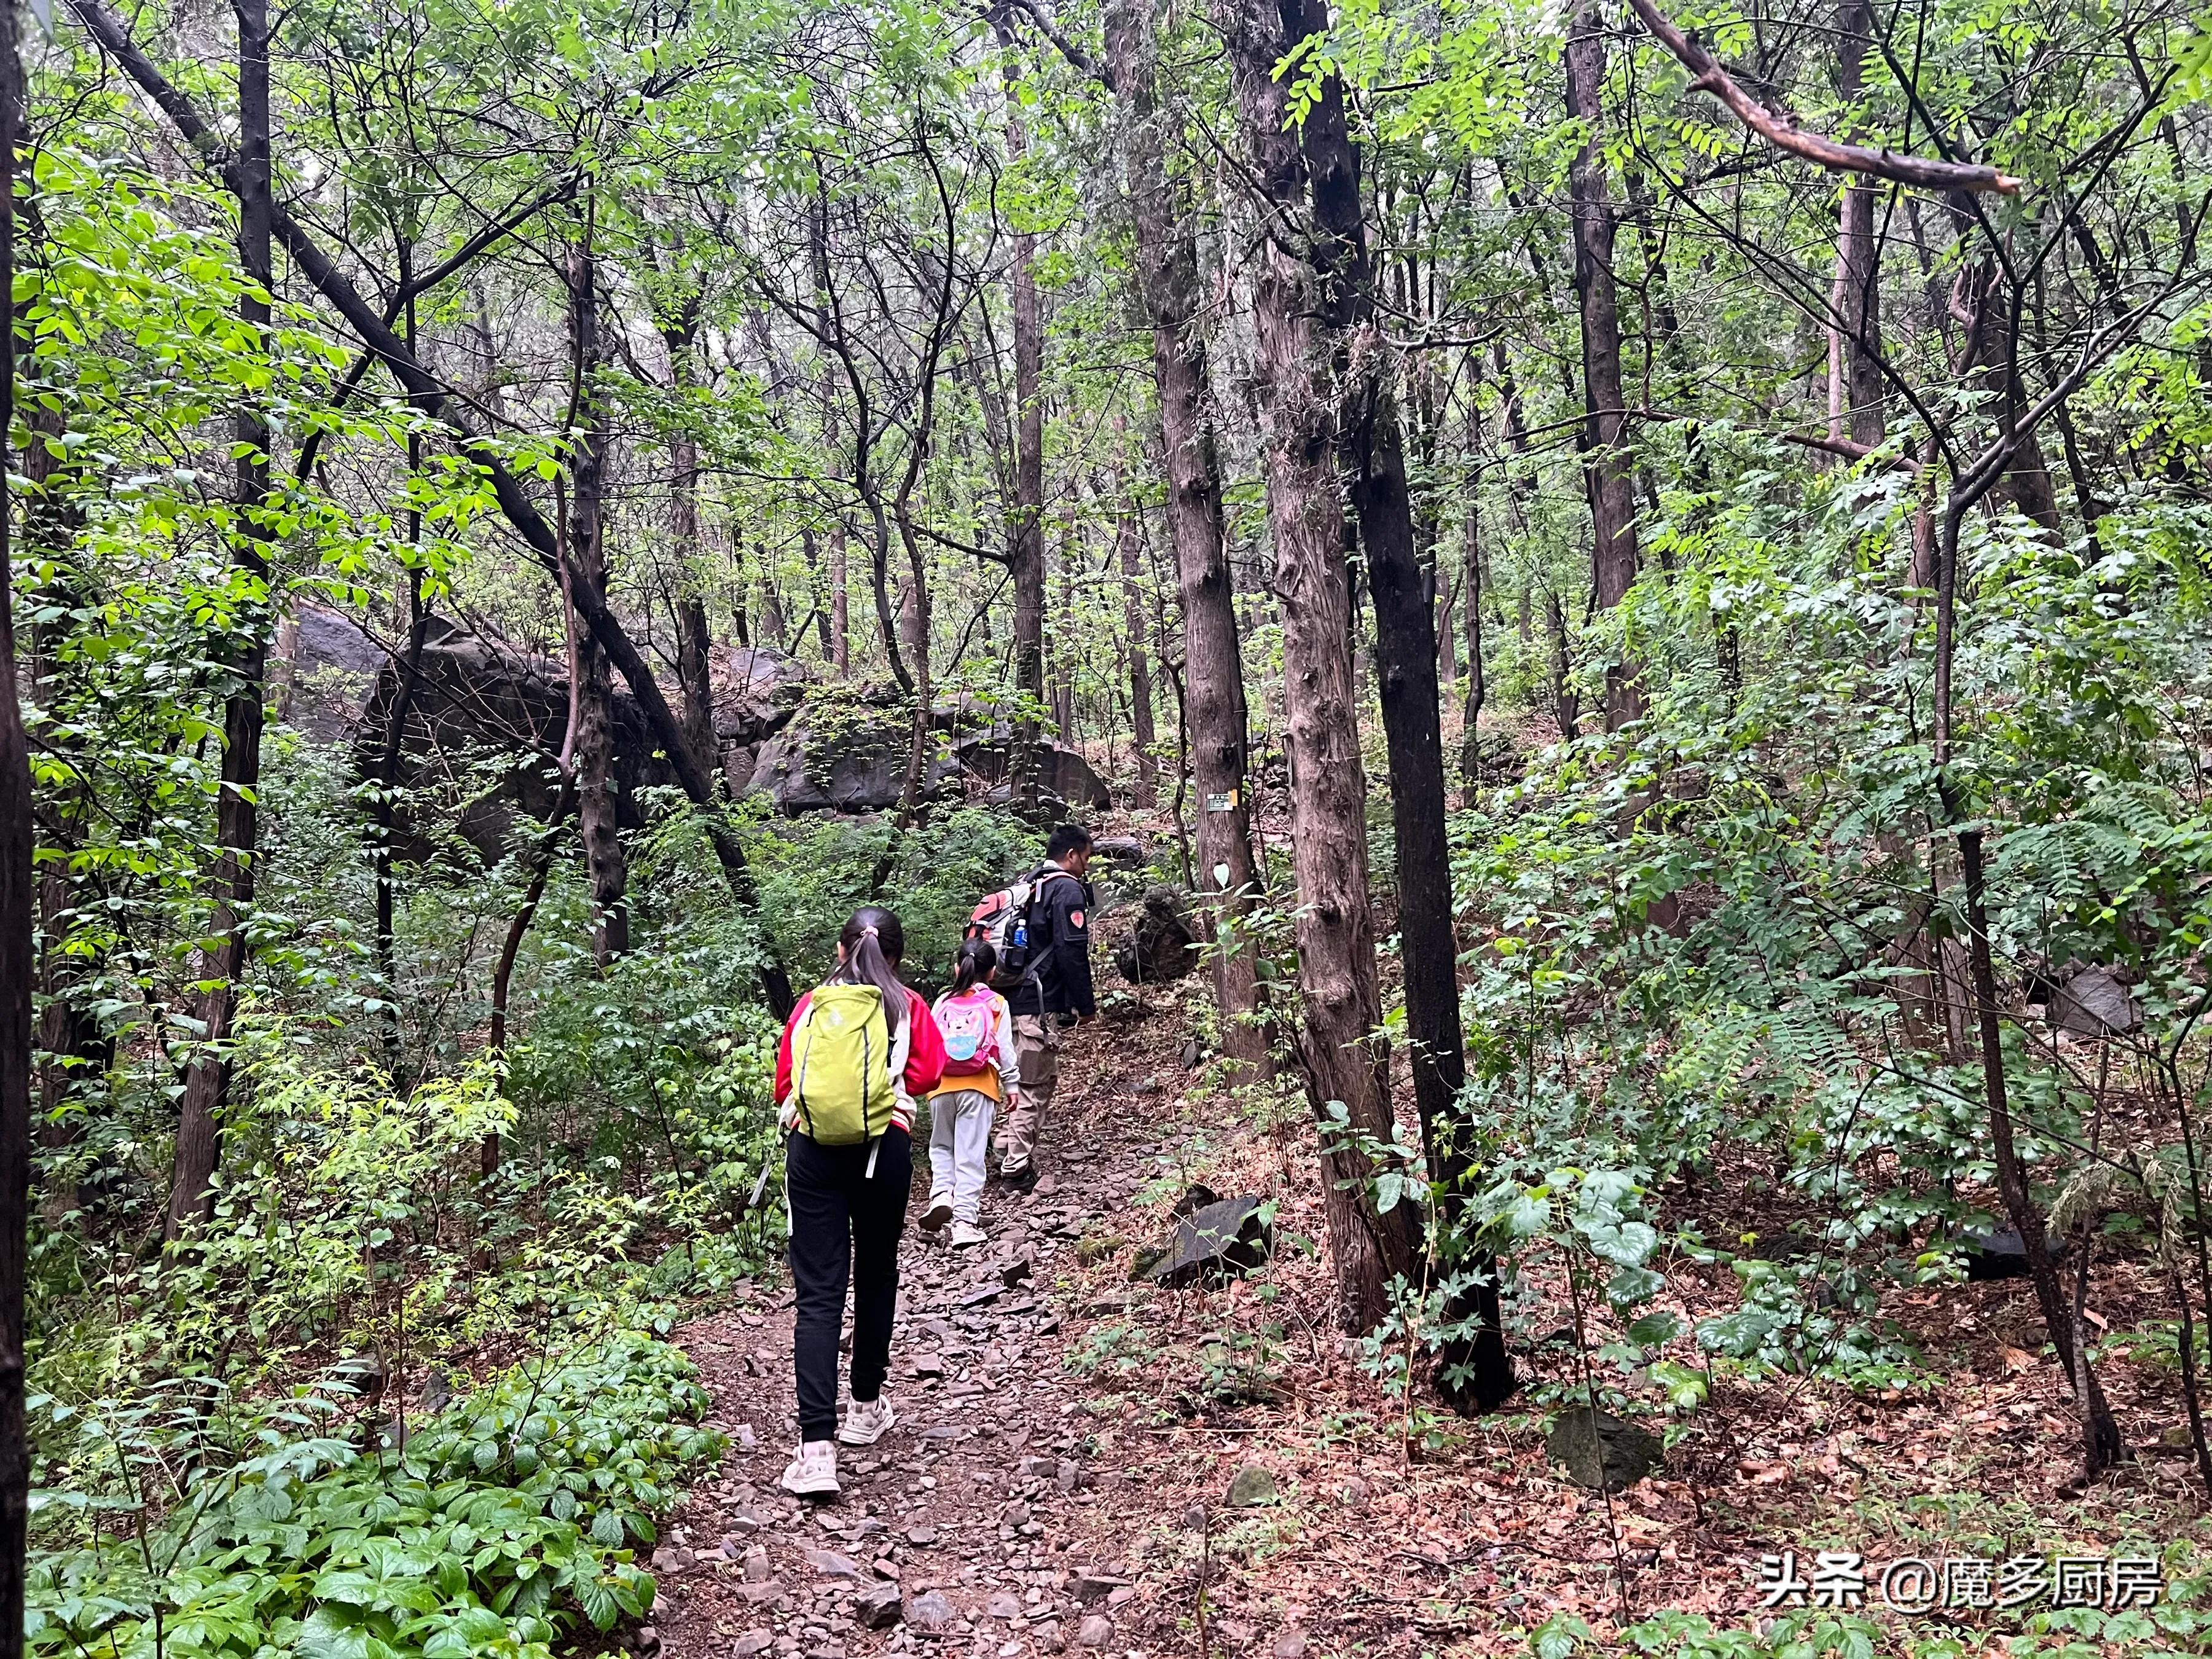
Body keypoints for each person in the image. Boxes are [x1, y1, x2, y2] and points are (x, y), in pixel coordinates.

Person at [771, 906, 945, 1498]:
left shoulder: (811, 1006)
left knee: (818, 1296)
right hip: (884, 1152)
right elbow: (927, 1075)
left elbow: (785, 1083)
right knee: (875, 1274)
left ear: (840, 947)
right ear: (895, 954)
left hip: (813, 1154)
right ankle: (865, 1409)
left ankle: (816, 1452)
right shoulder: (909, 1005)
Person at [995, 823, 1094, 1192]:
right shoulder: (1066, 889)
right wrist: (1085, 1005)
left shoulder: (1030, 884)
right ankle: (1016, 1170)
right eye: (1085, 859)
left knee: (1012, 1079)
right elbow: (1071, 951)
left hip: (1006, 1002)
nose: (1086, 868)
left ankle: (1003, 1149)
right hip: (1037, 1004)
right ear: (1071, 855)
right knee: (1034, 1085)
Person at [921, 939, 1019, 1249]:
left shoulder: (941, 1003)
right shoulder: (997, 1004)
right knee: (971, 1154)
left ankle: (940, 1196)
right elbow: (1005, 1051)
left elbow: (930, 1044)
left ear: (956, 969)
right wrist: (1013, 1086)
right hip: (979, 1085)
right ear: (992, 973)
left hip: (940, 1087)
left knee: (941, 1147)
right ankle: (964, 1221)